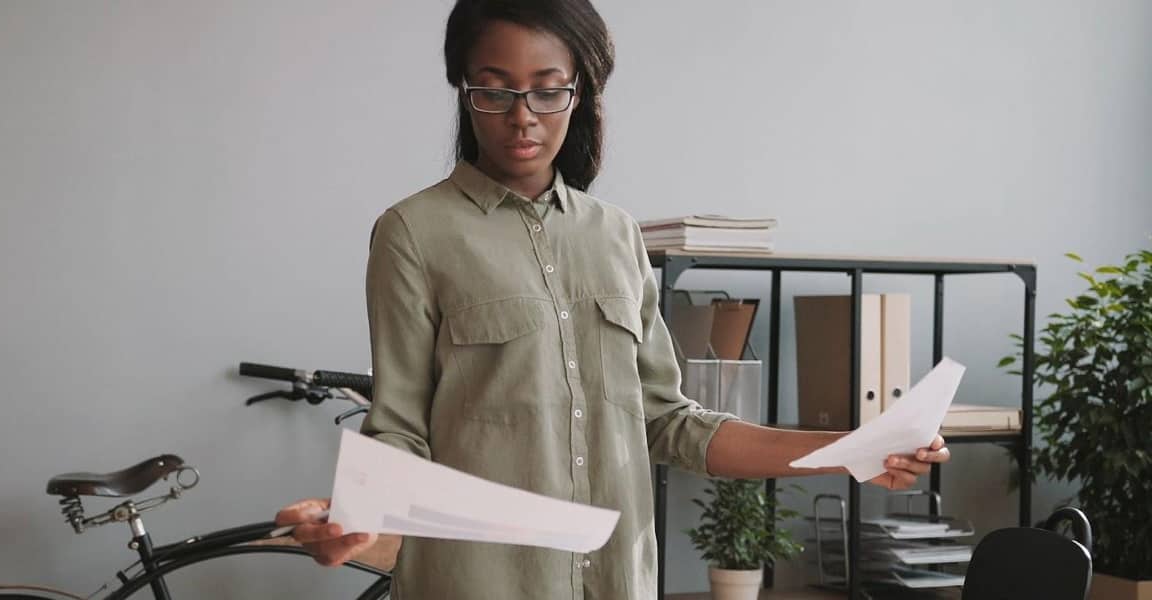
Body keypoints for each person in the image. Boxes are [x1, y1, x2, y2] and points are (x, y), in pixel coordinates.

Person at [277, 1, 950, 598]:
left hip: (618, 581)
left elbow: (670, 423)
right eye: (494, 91)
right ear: (464, 89)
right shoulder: (413, 233)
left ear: (579, 93)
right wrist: (355, 514)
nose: (522, 118)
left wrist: (859, 447)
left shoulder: (618, 235)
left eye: (547, 92)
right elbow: (398, 427)